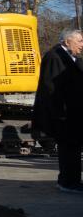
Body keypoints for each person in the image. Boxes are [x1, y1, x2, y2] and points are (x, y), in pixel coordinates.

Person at [32, 29, 83, 193]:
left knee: (73, 148)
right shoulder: (55, 56)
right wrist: (60, 113)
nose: (82, 45)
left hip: (72, 113)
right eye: (79, 41)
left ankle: (72, 180)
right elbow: (51, 88)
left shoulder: (70, 57)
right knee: (68, 149)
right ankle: (68, 182)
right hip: (64, 114)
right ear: (67, 41)